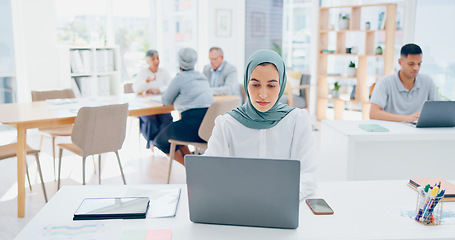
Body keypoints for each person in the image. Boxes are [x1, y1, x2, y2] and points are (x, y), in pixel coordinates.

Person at [204, 49, 317, 200]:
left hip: (283, 204)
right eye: (255, 85)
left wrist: (286, 196)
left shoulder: (297, 120)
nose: (263, 94)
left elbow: (308, 174)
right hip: (237, 205)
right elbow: (209, 172)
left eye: (271, 86)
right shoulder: (226, 124)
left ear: (281, 84)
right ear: (246, 83)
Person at [154, 48, 214, 164]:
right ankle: (194, 166)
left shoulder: (180, 78)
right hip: (208, 128)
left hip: (192, 127)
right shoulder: (202, 77)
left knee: (160, 141)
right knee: (178, 136)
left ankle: (191, 169)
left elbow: (166, 100)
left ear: (179, 62)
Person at [370, 43, 440, 122]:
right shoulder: (385, 83)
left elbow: (439, 110)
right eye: (411, 64)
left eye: (419, 64)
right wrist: (406, 118)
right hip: (393, 131)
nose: (416, 68)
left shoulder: (427, 81)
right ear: (400, 62)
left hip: (419, 132)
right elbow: (373, 113)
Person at [132, 49, 173, 149]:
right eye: (153, 59)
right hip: (145, 105)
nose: (156, 61)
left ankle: (160, 142)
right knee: (150, 120)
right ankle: (152, 141)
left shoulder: (164, 72)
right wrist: (146, 81)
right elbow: (136, 89)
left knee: (167, 118)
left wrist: (158, 90)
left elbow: (171, 85)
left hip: (160, 104)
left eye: (157, 58)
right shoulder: (143, 72)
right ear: (147, 61)